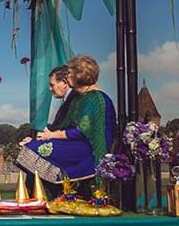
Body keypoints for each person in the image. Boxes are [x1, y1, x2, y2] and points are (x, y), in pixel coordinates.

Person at [15, 55, 116, 189]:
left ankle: (54, 189)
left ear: (79, 74)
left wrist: (50, 136)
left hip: (89, 150)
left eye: (69, 73)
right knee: (32, 146)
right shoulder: (81, 98)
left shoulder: (94, 98)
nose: (66, 77)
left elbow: (80, 131)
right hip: (76, 144)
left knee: (32, 150)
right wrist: (41, 138)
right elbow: (64, 126)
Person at [19, 65, 78, 146]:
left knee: (30, 147)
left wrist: (44, 138)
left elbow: (73, 131)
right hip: (66, 143)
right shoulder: (68, 101)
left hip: (72, 145)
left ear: (64, 83)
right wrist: (35, 139)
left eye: (52, 85)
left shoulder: (75, 99)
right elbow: (55, 129)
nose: (50, 89)